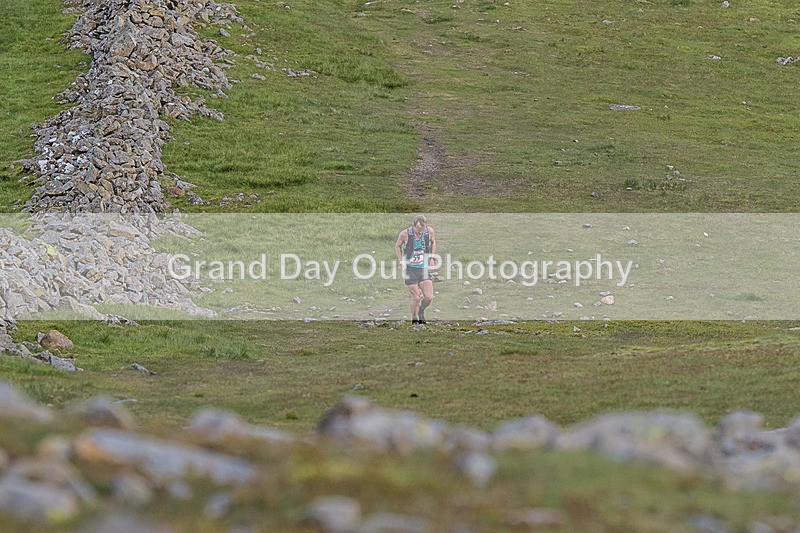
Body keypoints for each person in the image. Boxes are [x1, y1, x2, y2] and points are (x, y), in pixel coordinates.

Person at [395, 215, 436, 324]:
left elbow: (433, 242)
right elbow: (397, 246)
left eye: (421, 230)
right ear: (413, 226)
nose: (419, 233)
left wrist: (431, 257)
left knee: (429, 297)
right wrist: (401, 260)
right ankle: (415, 318)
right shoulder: (405, 234)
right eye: (418, 230)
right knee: (416, 297)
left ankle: (421, 310)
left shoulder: (429, 232)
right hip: (410, 269)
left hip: (423, 268)